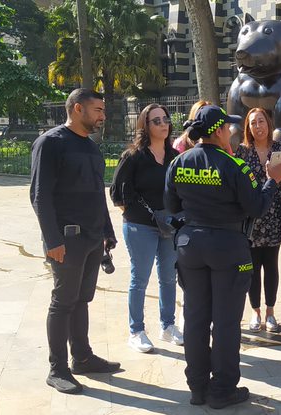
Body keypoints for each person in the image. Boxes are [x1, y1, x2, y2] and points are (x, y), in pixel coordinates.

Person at [165, 104, 281, 409]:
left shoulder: (179, 162)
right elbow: (256, 208)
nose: (231, 133)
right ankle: (222, 389)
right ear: (219, 131)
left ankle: (197, 386)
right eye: (228, 129)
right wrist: (273, 179)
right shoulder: (235, 166)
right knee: (225, 322)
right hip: (230, 248)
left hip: (190, 246)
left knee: (195, 318)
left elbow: (171, 206)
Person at [29, 88, 121, 394]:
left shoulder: (91, 148)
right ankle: (57, 369)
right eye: (97, 110)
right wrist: (52, 240)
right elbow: (40, 196)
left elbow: (98, 193)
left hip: (93, 239)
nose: (102, 116)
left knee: (82, 299)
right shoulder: (51, 143)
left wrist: (107, 231)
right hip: (66, 241)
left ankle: (82, 356)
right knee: (63, 302)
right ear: (78, 109)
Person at [110, 103, 183, 353]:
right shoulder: (134, 156)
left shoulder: (175, 156)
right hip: (140, 226)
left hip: (169, 226)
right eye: (157, 121)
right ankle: (136, 331)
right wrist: (137, 217)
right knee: (140, 279)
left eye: (165, 119)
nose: (163, 124)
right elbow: (117, 193)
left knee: (168, 278)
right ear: (145, 125)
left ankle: (168, 325)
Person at [234, 108, 281, 333]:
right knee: (252, 267)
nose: (258, 126)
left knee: (272, 265)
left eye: (261, 121)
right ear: (248, 128)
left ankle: (270, 312)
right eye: (253, 123)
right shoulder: (242, 152)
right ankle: (255, 311)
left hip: (274, 213)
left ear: (268, 124)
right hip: (251, 217)